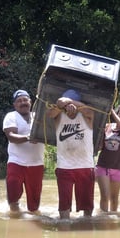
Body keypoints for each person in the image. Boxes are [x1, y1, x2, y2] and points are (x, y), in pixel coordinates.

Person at [47, 89, 95, 219]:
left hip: (85, 166)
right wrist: (61, 105)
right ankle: (64, 228)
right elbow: (50, 113)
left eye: (71, 102)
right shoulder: (58, 115)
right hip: (64, 167)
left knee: (87, 206)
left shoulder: (87, 115)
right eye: (66, 103)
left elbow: (90, 111)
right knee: (64, 206)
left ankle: (86, 227)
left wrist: (70, 102)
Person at [2, 89, 45, 217]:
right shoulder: (11, 116)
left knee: (34, 204)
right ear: (15, 105)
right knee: (13, 194)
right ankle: (14, 217)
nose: (23, 103)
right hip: (16, 162)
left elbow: (49, 133)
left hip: (36, 163)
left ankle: (34, 222)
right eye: (19, 101)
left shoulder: (38, 116)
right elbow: (11, 136)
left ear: (30, 102)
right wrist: (28, 137)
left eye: (25, 100)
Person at [95, 104, 120, 212]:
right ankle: (103, 219)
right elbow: (99, 146)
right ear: (117, 114)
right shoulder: (106, 127)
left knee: (114, 198)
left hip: (118, 168)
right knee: (105, 196)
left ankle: (113, 219)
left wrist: (111, 111)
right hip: (103, 166)